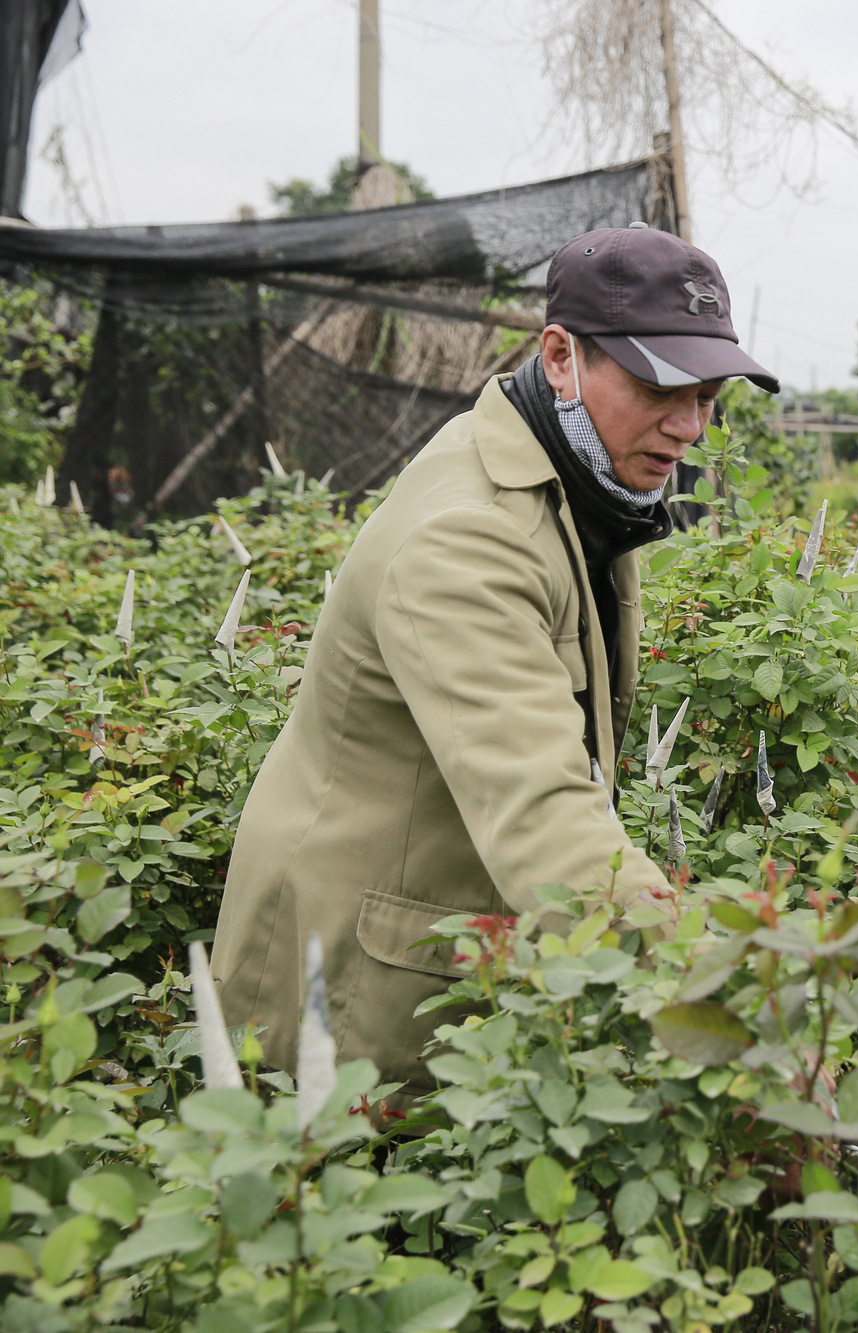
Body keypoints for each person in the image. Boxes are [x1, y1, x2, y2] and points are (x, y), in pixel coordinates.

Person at [212, 223, 777, 1089]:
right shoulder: (466, 536)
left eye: (708, 395)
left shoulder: (577, 477)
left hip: (435, 954)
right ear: (560, 356)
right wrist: (715, 993)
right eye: (661, 384)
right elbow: (542, 808)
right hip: (342, 1000)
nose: (690, 425)